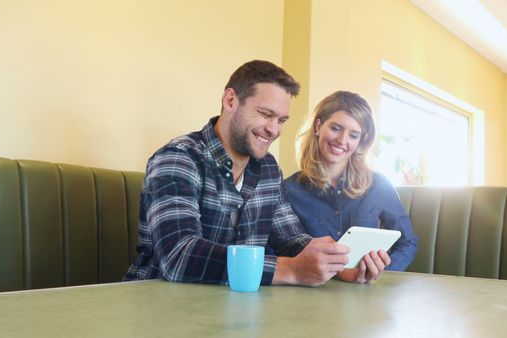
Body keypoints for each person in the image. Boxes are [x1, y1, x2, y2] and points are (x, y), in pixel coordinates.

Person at [124, 60, 350, 287]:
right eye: (265, 114)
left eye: (281, 120)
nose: (274, 130)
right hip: (159, 307)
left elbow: (291, 238)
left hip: (233, 308)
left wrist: (337, 263)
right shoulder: (178, 158)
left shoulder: (269, 169)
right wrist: (289, 270)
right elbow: (179, 255)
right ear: (230, 100)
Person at [282, 91, 419, 283]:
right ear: (318, 126)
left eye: (353, 135)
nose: (342, 140)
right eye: (336, 128)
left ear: (361, 140)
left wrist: (380, 272)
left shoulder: (378, 185)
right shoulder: (289, 190)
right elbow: (281, 249)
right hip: (312, 295)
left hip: (366, 296)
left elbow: (408, 242)